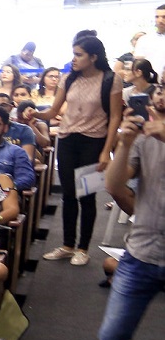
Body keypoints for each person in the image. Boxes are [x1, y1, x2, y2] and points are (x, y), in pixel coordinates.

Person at [78, 82, 165, 340]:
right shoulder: (145, 136)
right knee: (110, 339)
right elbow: (113, 186)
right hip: (142, 254)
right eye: (159, 89)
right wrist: (126, 143)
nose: (160, 97)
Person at [39, 35, 123, 265]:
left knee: (87, 195)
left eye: (78, 55)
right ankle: (67, 245)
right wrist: (34, 114)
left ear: (93, 57)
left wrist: (107, 151)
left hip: (94, 141)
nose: (73, 59)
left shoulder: (110, 79)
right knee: (68, 195)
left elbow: (116, 117)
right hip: (67, 139)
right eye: (73, 54)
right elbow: (52, 111)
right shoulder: (68, 78)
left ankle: (83, 248)